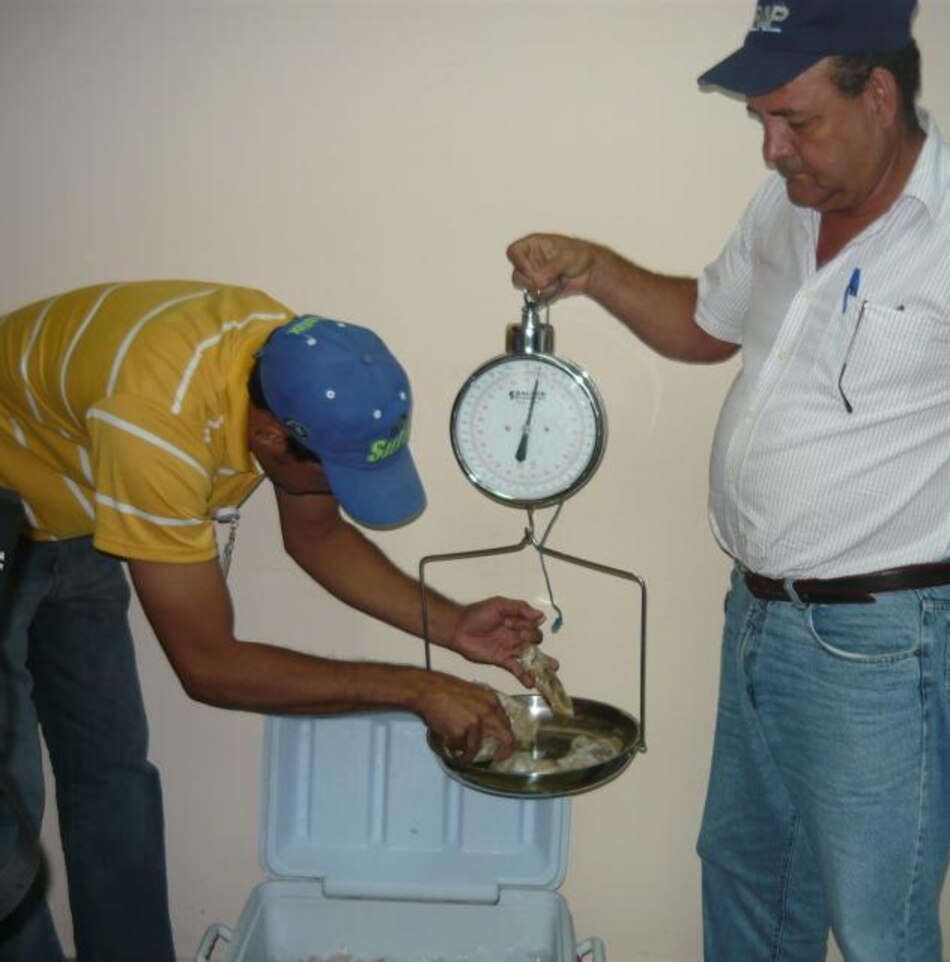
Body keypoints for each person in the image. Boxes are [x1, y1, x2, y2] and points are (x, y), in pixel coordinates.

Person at [507, 1, 950, 960]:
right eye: (761, 122)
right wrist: (596, 271)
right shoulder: (786, 209)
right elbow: (708, 326)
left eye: (795, 121)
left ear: (878, 94)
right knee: (748, 879)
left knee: (880, 928)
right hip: (756, 616)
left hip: (880, 642)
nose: (772, 150)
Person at [0, 280, 546, 961]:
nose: (340, 497)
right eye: (337, 478)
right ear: (268, 434)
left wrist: (455, 624)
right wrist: (417, 689)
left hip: (68, 502)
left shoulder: (294, 365)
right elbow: (210, 669)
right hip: (16, 485)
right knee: (6, 815)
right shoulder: (154, 425)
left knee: (112, 773)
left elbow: (315, 537)